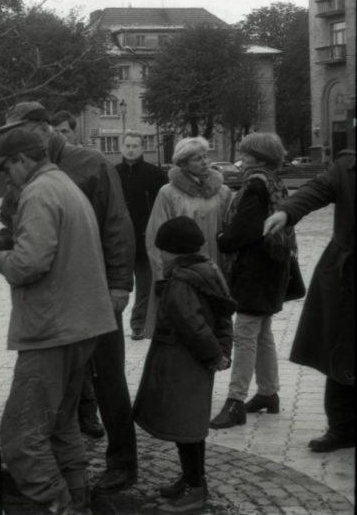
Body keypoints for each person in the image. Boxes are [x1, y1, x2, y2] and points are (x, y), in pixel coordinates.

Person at [0, 101, 138, 492]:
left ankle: (121, 460)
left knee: (107, 379)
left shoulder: (88, 165)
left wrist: (120, 286)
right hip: (67, 305)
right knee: (67, 403)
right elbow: (12, 227)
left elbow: (118, 226)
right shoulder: (28, 175)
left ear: (40, 128)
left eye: (14, 132)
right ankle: (76, 483)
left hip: (93, 293)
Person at [133, 216, 234, 514]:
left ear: (174, 252)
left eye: (162, 250)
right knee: (189, 426)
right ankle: (190, 478)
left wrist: (214, 354)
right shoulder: (208, 270)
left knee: (185, 426)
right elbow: (224, 312)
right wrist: (221, 351)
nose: (160, 255)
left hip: (183, 362)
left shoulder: (181, 282)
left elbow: (192, 324)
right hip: (197, 362)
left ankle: (195, 487)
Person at [263, 150, 354, 452]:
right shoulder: (347, 166)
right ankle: (342, 428)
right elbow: (316, 190)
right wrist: (286, 212)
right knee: (341, 353)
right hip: (347, 277)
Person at [211, 133, 294, 429]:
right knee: (262, 333)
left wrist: (222, 238)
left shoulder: (256, 184)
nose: (243, 158)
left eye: (247, 153)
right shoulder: (274, 181)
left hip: (254, 271)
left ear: (260, 156)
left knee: (245, 334)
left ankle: (235, 402)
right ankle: (269, 393)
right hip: (273, 268)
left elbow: (244, 231)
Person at [145, 137, 232, 338]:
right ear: (183, 164)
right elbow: (155, 236)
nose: (204, 162)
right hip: (179, 273)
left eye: (205, 157)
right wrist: (160, 276)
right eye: (197, 159)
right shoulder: (168, 193)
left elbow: (230, 231)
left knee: (212, 327)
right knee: (182, 327)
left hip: (213, 270)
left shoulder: (222, 192)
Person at [115, 132, 168, 340]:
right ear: (121, 148)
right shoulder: (113, 173)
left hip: (146, 238)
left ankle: (139, 323)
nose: (131, 149)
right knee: (118, 284)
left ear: (142, 148)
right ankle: (113, 325)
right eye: (127, 145)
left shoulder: (155, 174)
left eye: (135, 146)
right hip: (120, 240)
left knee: (145, 286)